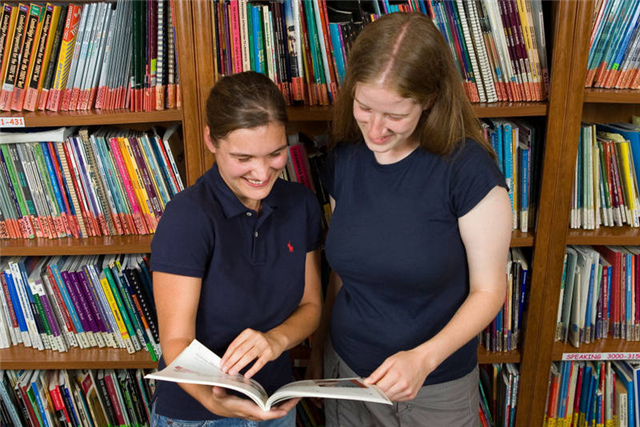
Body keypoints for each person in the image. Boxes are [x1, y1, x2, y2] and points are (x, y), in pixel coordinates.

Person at [307, 12, 512, 426]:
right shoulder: (346, 156)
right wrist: (318, 350)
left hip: (433, 386)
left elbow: (489, 290)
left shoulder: (468, 171)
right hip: (346, 371)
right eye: (364, 107)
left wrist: (423, 359)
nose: (376, 130)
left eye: (395, 115)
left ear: (430, 101)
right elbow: (344, 272)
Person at [150, 71, 323, 426]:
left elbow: (311, 305)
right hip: (197, 412)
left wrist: (276, 340)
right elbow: (176, 339)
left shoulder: (301, 204)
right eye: (243, 158)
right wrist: (214, 404)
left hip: (274, 404)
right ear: (211, 140)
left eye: (275, 154)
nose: (262, 173)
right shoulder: (188, 217)